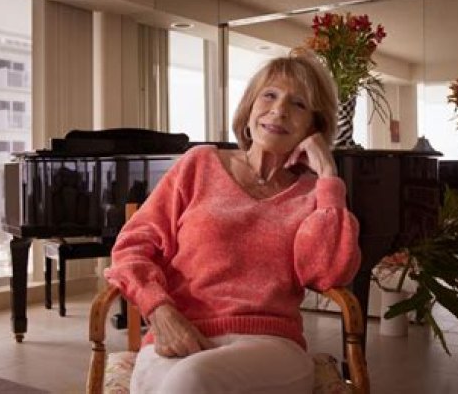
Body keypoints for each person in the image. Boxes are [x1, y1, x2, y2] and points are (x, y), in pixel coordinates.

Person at [104, 49, 361, 394]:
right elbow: (132, 246)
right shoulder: (199, 164)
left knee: (190, 380)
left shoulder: (314, 195)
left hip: (270, 347)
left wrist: (329, 175)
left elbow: (329, 272)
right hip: (178, 334)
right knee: (170, 383)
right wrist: (159, 310)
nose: (279, 110)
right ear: (249, 107)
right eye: (269, 95)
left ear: (313, 126)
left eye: (298, 104)